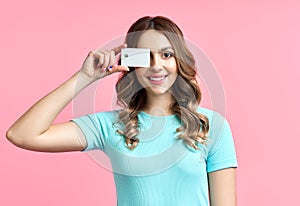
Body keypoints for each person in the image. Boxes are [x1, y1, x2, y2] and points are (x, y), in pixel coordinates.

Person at [6, 16, 238, 205]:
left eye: (166, 55)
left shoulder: (211, 127)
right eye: (145, 57)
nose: (156, 65)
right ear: (132, 63)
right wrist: (84, 78)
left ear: (179, 61)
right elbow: (22, 134)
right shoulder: (110, 126)